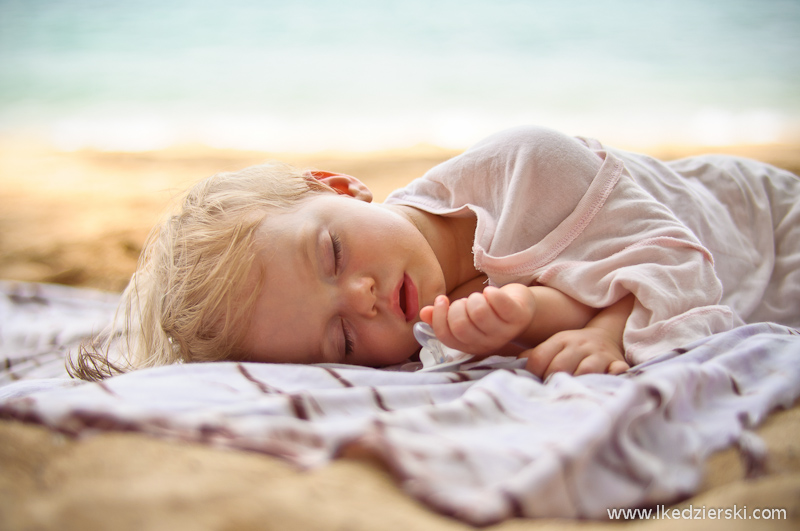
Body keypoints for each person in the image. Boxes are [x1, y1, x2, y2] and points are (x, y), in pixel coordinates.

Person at [70, 126, 800, 382]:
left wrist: (607, 331)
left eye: (330, 251)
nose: (357, 296)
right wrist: (535, 319)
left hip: (769, 228)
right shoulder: (433, 338)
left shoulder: (527, 167)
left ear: (338, 185)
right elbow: (565, 298)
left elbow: (686, 263)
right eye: (342, 339)